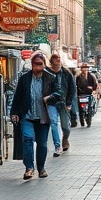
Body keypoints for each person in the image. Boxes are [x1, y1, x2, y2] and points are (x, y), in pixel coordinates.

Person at [10, 51, 62, 179]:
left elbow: (59, 93)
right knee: (27, 139)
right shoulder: (24, 79)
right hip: (27, 115)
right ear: (31, 65)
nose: (37, 67)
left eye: (40, 64)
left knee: (42, 144)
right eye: (35, 64)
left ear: (44, 64)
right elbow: (17, 97)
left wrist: (50, 97)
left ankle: (41, 168)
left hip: (43, 117)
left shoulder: (51, 78)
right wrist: (14, 113)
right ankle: (29, 168)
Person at [47, 53, 76, 156]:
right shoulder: (47, 73)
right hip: (51, 102)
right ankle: (57, 146)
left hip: (63, 103)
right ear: (51, 64)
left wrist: (69, 103)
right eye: (54, 64)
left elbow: (72, 89)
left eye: (58, 62)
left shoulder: (66, 73)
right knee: (54, 123)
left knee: (66, 126)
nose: (56, 65)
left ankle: (65, 138)